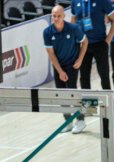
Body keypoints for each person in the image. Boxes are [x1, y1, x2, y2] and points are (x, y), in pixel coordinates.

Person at [43, 6, 88, 134]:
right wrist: (60, 71)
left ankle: (81, 120)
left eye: (58, 16)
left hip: (72, 64)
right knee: (61, 94)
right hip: (58, 65)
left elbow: (85, 42)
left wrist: (80, 60)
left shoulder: (73, 28)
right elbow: (51, 54)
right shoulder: (47, 32)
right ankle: (67, 121)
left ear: (64, 16)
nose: (56, 18)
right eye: (53, 16)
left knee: (72, 92)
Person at [70, 0, 114, 91]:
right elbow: (73, 21)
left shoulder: (102, 1)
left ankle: (107, 103)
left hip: (100, 43)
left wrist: (108, 40)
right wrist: (74, 41)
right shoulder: (75, 1)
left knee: (104, 76)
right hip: (83, 45)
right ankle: (87, 103)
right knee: (84, 77)